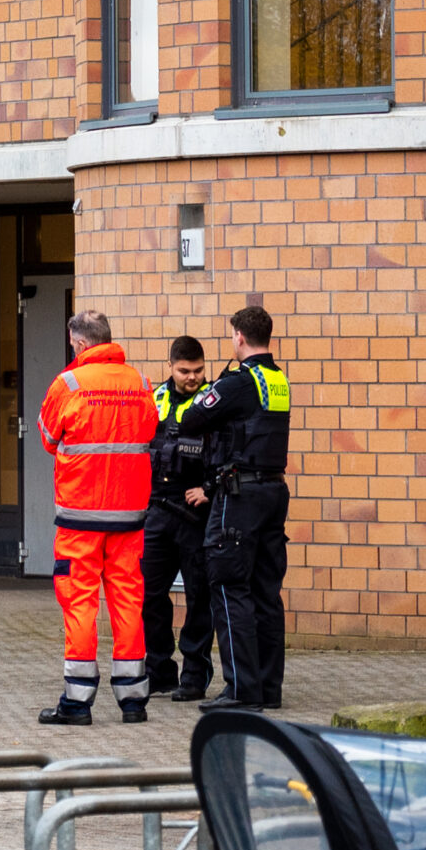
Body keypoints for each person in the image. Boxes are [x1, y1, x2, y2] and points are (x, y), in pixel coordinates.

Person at [35, 312, 156, 725]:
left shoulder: (68, 384)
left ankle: (78, 701)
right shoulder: (140, 383)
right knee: (128, 602)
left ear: (81, 345)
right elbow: (149, 433)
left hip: (80, 516)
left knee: (80, 603)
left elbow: (49, 439)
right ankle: (134, 699)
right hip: (129, 515)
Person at [177, 305, 292, 713]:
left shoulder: (239, 383)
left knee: (229, 589)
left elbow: (192, 418)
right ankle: (267, 688)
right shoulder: (278, 380)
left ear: (239, 337)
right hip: (273, 492)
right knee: (266, 592)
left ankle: (241, 690)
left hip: (239, 496)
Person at [141, 337, 215, 704]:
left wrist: (210, 487)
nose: (193, 377)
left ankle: (195, 675)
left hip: (196, 513)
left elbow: (228, 450)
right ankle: (159, 671)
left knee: (199, 596)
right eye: (185, 371)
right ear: (170, 366)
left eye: (199, 370)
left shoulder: (215, 399)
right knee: (149, 593)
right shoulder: (154, 398)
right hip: (157, 509)